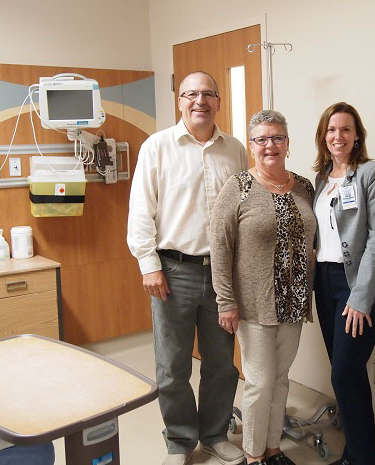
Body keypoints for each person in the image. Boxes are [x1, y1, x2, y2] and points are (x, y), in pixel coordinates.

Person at [127, 71, 247, 465]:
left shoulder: (235, 150)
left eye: (208, 94)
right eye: (191, 94)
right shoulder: (157, 147)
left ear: (218, 101)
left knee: (220, 364)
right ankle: (179, 441)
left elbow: (244, 210)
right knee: (172, 366)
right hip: (172, 272)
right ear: (180, 101)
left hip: (223, 275)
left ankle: (214, 433)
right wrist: (149, 264)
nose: (200, 101)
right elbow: (141, 210)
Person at [210, 110, 316, 465]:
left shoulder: (304, 186)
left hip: (295, 300)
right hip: (254, 303)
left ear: (287, 143)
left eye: (277, 138)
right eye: (261, 139)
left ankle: (273, 450)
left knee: (281, 379)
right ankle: (254, 455)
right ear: (252, 145)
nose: (270, 145)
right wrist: (225, 301)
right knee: (258, 383)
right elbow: (220, 247)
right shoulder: (238, 186)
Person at [312, 102, 375, 465]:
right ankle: (357, 453)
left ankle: (363, 457)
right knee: (343, 374)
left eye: (346, 129)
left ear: (357, 135)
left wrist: (361, 298)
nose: (338, 136)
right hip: (324, 281)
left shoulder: (371, 174)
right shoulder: (320, 179)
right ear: (323, 136)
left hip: (357, 284)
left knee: (345, 373)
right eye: (332, 130)